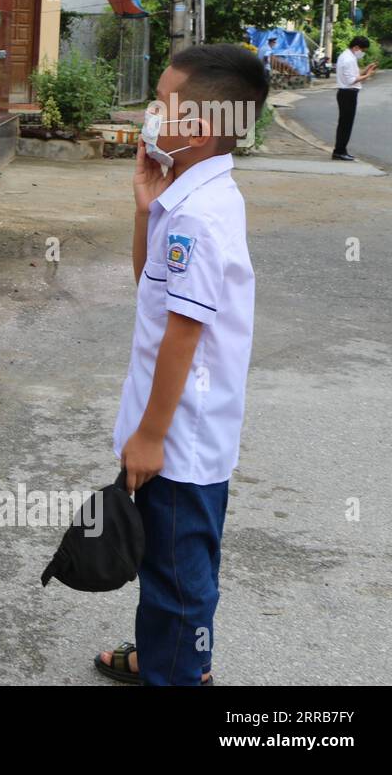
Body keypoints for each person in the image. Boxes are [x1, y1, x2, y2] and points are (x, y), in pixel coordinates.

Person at [94, 43, 265, 686]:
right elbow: (152, 287)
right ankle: (163, 657)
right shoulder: (191, 197)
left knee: (179, 575)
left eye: (160, 103)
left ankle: (182, 672)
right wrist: (145, 208)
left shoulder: (197, 215)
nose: (148, 114)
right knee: (165, 559)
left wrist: (148, 437)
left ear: (197, 128)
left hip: (179, 440)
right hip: (180, 432)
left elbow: (182, 335)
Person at [333, 35, 377, 162]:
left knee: (345, 124)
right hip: (348, 94)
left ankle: (341, 150)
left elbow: (355, 75)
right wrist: (368, 75)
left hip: (347, 93)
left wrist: (366, 69)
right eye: (363, 50)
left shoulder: (348, 56)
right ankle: (339, 151)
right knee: (345, 124)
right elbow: (352, 80)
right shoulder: (348, 59)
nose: (362, 53)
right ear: (356, 47)